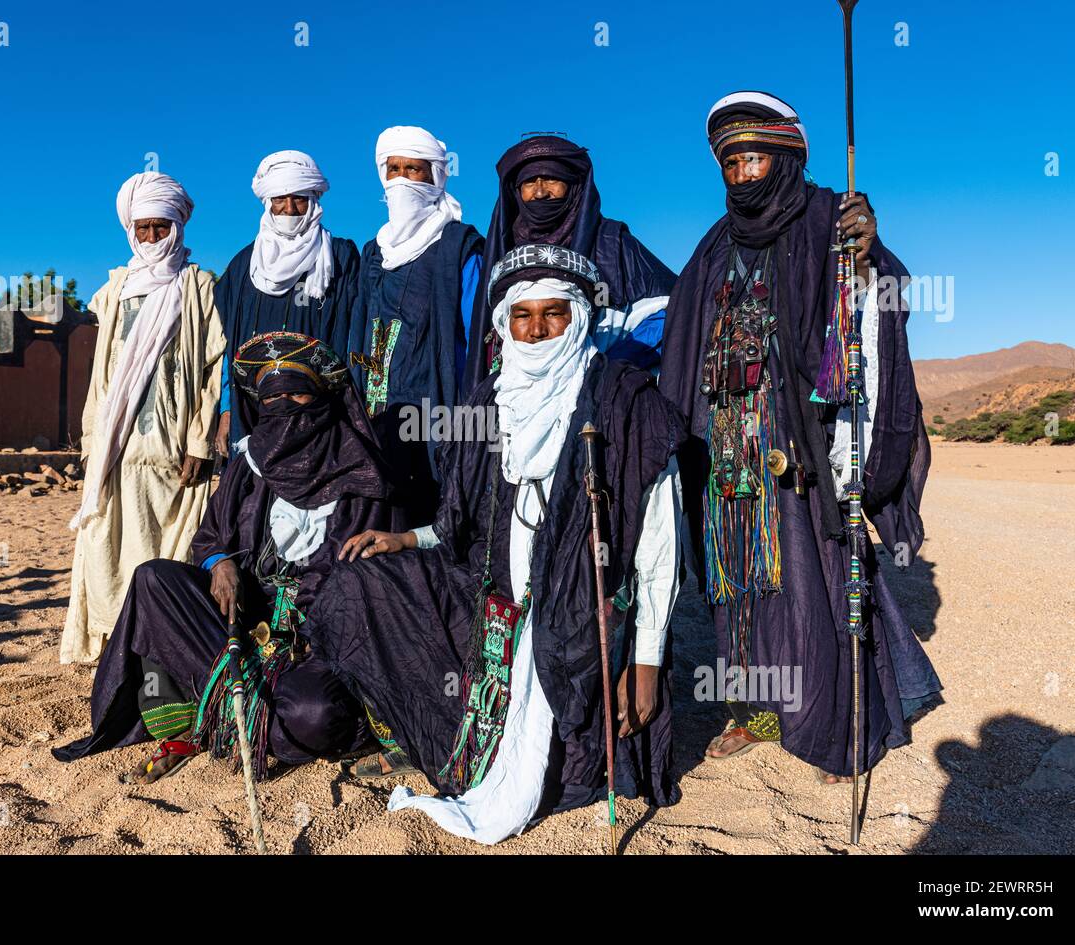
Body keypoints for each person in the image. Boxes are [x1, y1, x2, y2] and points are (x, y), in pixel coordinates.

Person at [311, 245, 685, 844]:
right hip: (496, 610)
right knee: (358, 584)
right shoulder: (490, 399)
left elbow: (659, 548)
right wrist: (406, 538)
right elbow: (461, 521)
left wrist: (645, 664)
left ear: (581, 317)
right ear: (504, 323)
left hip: (586, 620)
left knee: (577, 774)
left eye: (554, 313)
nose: (537, 330)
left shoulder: (623, 401)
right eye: (523, 315)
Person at [658, 90, 942, 783]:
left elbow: (886, 303)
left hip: (801, 441)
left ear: (784, 156)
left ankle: (832, 720)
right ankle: (754, 711)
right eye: (731, 164)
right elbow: (682, 338)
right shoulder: (713, 246)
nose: (742, 175)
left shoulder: (828, 218)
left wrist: (866, 257)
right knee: (738, 587)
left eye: (755, 159)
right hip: (726, 446)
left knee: (812, 579)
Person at [54, 332, 394, 782]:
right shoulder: (248, 463)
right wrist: (220, 563)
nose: (286, 407)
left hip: (321, 637)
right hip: (240, 615)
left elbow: (367, 578)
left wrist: (310, 626)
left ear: (324, 398)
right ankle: (203, 720)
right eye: (274, 398)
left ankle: (233, 714)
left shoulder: (360, 473)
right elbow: (210, 534)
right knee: (154, 580)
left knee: (314, 714)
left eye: (298, 393)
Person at [60, 172, 225, 664]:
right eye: (144, 228)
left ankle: (161, 645)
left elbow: (214, 370)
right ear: (130, 230)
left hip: (173, 451)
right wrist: (93, 441)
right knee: (109, 547)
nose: (153, 238)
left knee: (166, 548)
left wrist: (199, 440)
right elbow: (103, 377)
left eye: (161, 227)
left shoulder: (198, 287)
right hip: (118, 448)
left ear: (178, 225)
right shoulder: (113, 292)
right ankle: (117, 645)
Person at [464, 135, 677, 388]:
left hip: (597, 393)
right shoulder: (503, 248)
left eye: (552, 179)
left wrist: (611, 365)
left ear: (574, 186)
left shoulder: (613, 243)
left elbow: (671, 312)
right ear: (517, 191)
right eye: (530, 181)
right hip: (515, 393)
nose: (541, 191)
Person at [355, 126, 483, 521]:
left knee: (437, 513)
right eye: (394, 169)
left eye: (415, 170)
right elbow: (361, 331)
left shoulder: (459, 245)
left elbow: (476, 333)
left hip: (440, 408)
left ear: (435, 177)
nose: (403, 180)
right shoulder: (374, 251)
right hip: (378, 409)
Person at [213, 151, 363, 455]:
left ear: (314, 200)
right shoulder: (243, 269)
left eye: (299, 199)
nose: (290, 209)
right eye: (280, 199)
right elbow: (227, 349)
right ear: (268, 203)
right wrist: (227, 410)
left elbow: (354, 337)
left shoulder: (340, 258)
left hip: (321, 413)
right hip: (253, 415)